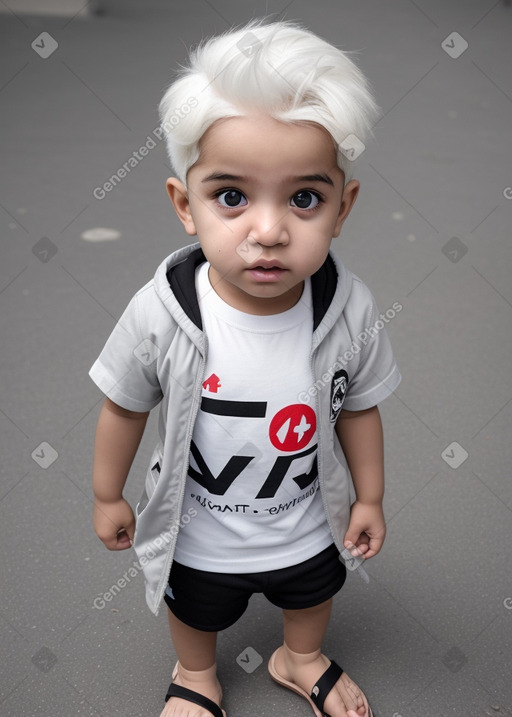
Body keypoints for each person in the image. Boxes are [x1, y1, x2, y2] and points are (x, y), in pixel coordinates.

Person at [90, 18, 401, 717]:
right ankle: (196, 675)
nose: (268, 230)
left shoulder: (347, 310)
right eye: (232, 196)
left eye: (304, 198)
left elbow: (359, 407)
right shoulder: (162, 311)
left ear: (342, 208)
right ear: (185, 205)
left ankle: (301, 656)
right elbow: (124, 402)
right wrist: (109, 491)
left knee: (313, 591)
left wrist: (370, 496)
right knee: (194, 608)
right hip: (200, 528)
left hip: (305, 517)